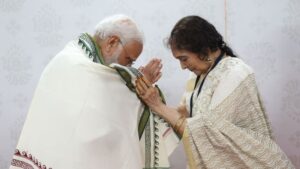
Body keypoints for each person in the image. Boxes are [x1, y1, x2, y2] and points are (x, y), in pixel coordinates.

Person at [9, 14, 177, 169]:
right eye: (128, 60)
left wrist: (137, 79)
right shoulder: (80, 66)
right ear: (112, 43)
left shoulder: (71, 58)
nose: (127, 67)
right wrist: (140, 80)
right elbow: (117, 101)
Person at [136, 15, 295, 169]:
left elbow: (208, 132)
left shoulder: (236, 73)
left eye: (184, 59)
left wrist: (157, 105)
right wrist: (148, 93)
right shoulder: (197, 76)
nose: (183, 67)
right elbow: (183, 115)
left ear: (203, 50)